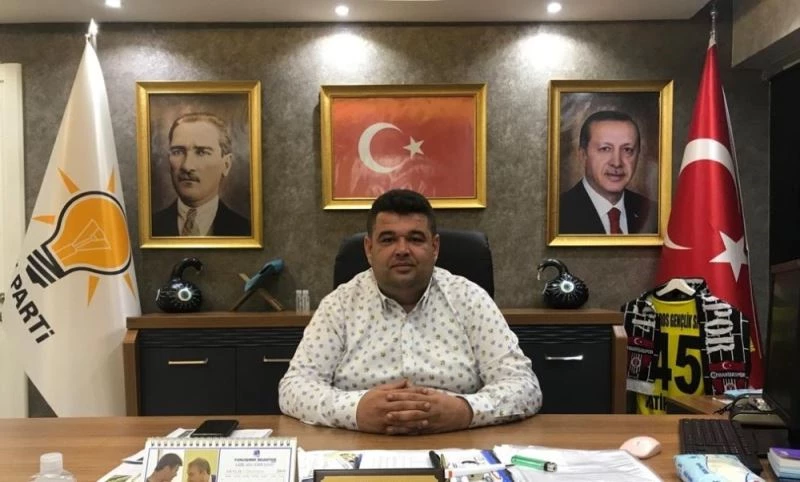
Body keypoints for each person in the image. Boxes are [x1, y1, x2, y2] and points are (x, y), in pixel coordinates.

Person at [279, 189, 541, 435]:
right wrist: (355, 411)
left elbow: (523, 385)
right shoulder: (339, 305)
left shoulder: (470, 300)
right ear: (369, 249)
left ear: (435, 247)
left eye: (415, 239)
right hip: (359, 447)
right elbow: (294, 387)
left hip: (457, 446)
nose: (402, 250)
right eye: (388, 239)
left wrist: (465, 411)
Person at [151, 112, 251, 237]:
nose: (187, 166)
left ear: (226, 164)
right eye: (178, 152)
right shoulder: (149, 228)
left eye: (202, 152)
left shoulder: (246, 231)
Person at [559, 110, 657, 234]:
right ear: (583, 155)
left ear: (638, 155)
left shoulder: (653, 214)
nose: (617, 163)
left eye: (627, 150)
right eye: (605, 149)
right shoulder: (557, 214)